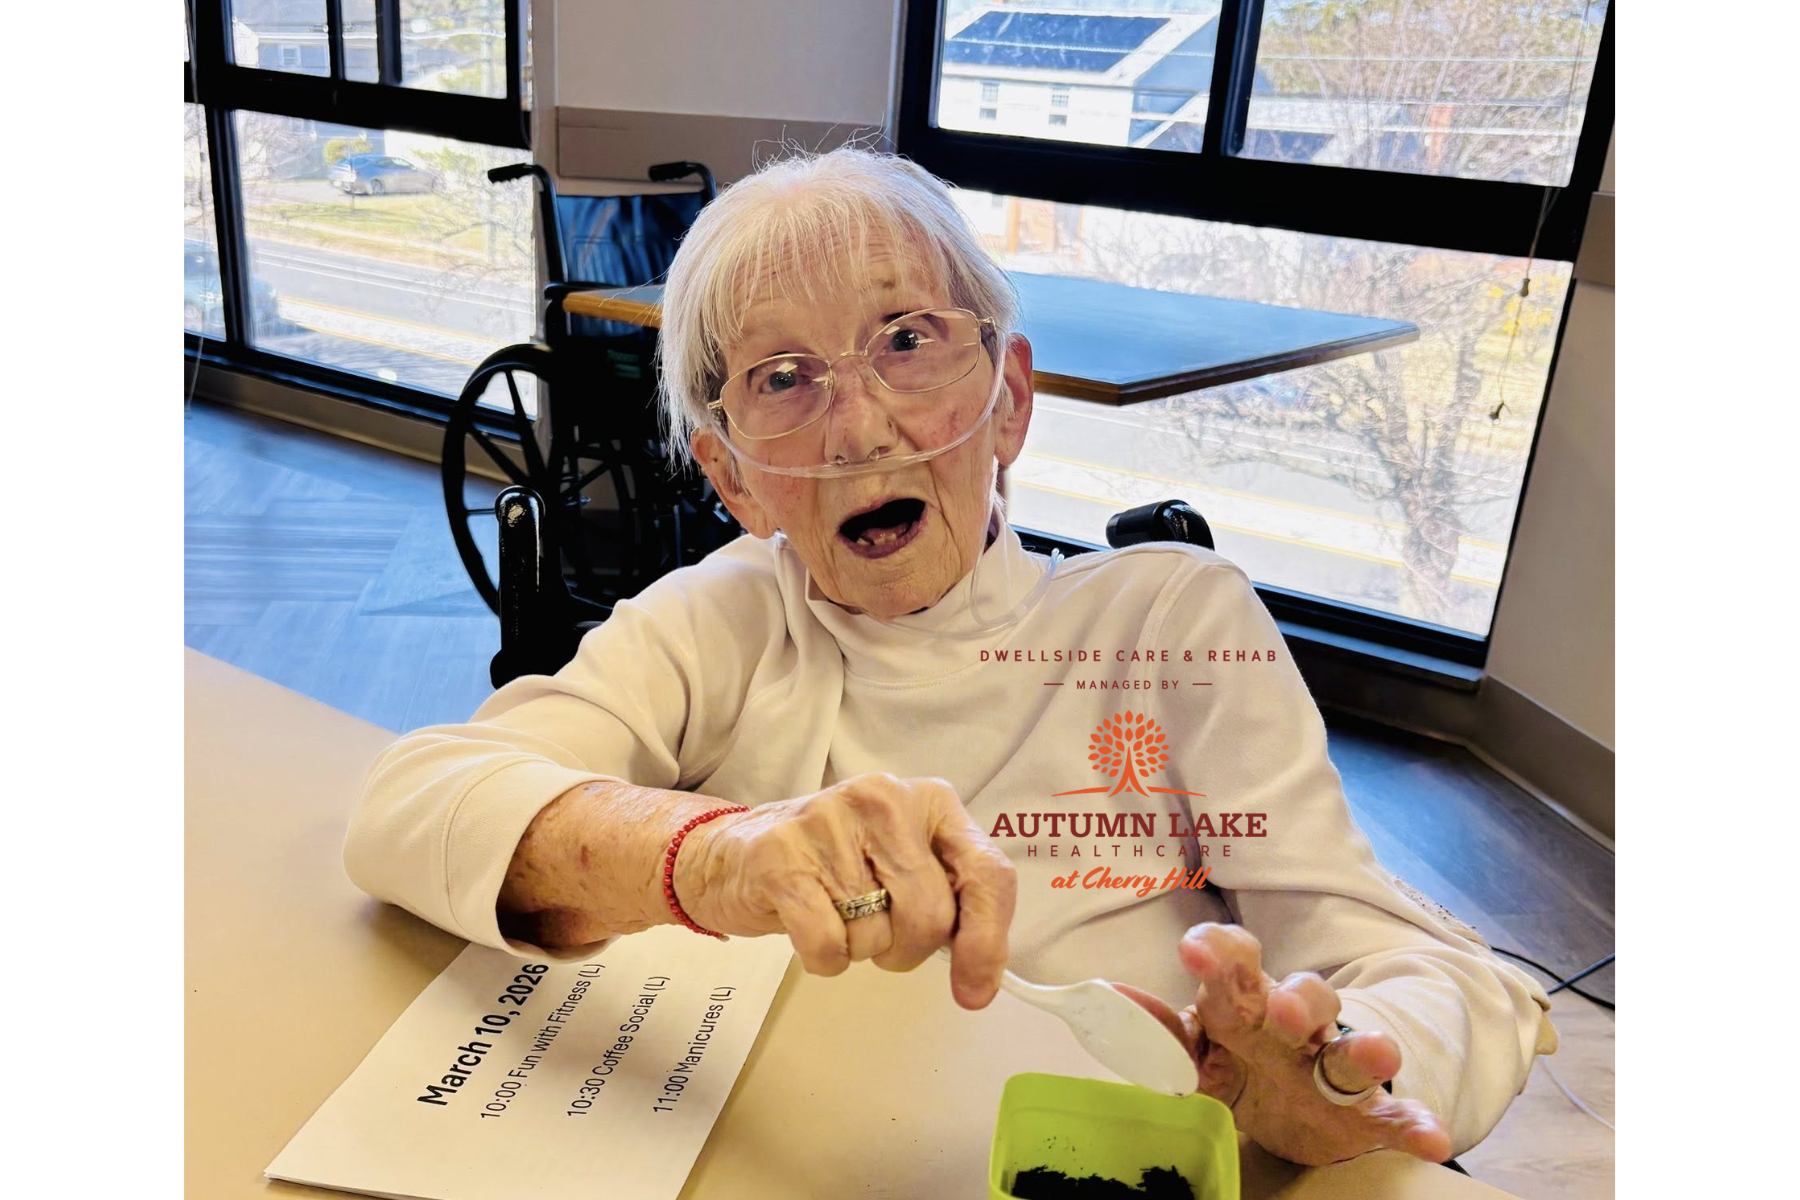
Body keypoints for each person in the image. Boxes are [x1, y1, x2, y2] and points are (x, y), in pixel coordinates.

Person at [346, 147, 1557, 1166]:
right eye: (782, 379)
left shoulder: (1170, 625)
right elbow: (412, 808)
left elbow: (1410, 967)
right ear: (730, 477)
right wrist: (715, 857)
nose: (862, 423)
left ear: (1010, 401)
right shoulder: (722, 622)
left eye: (909, 341)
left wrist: (1338, 1082)